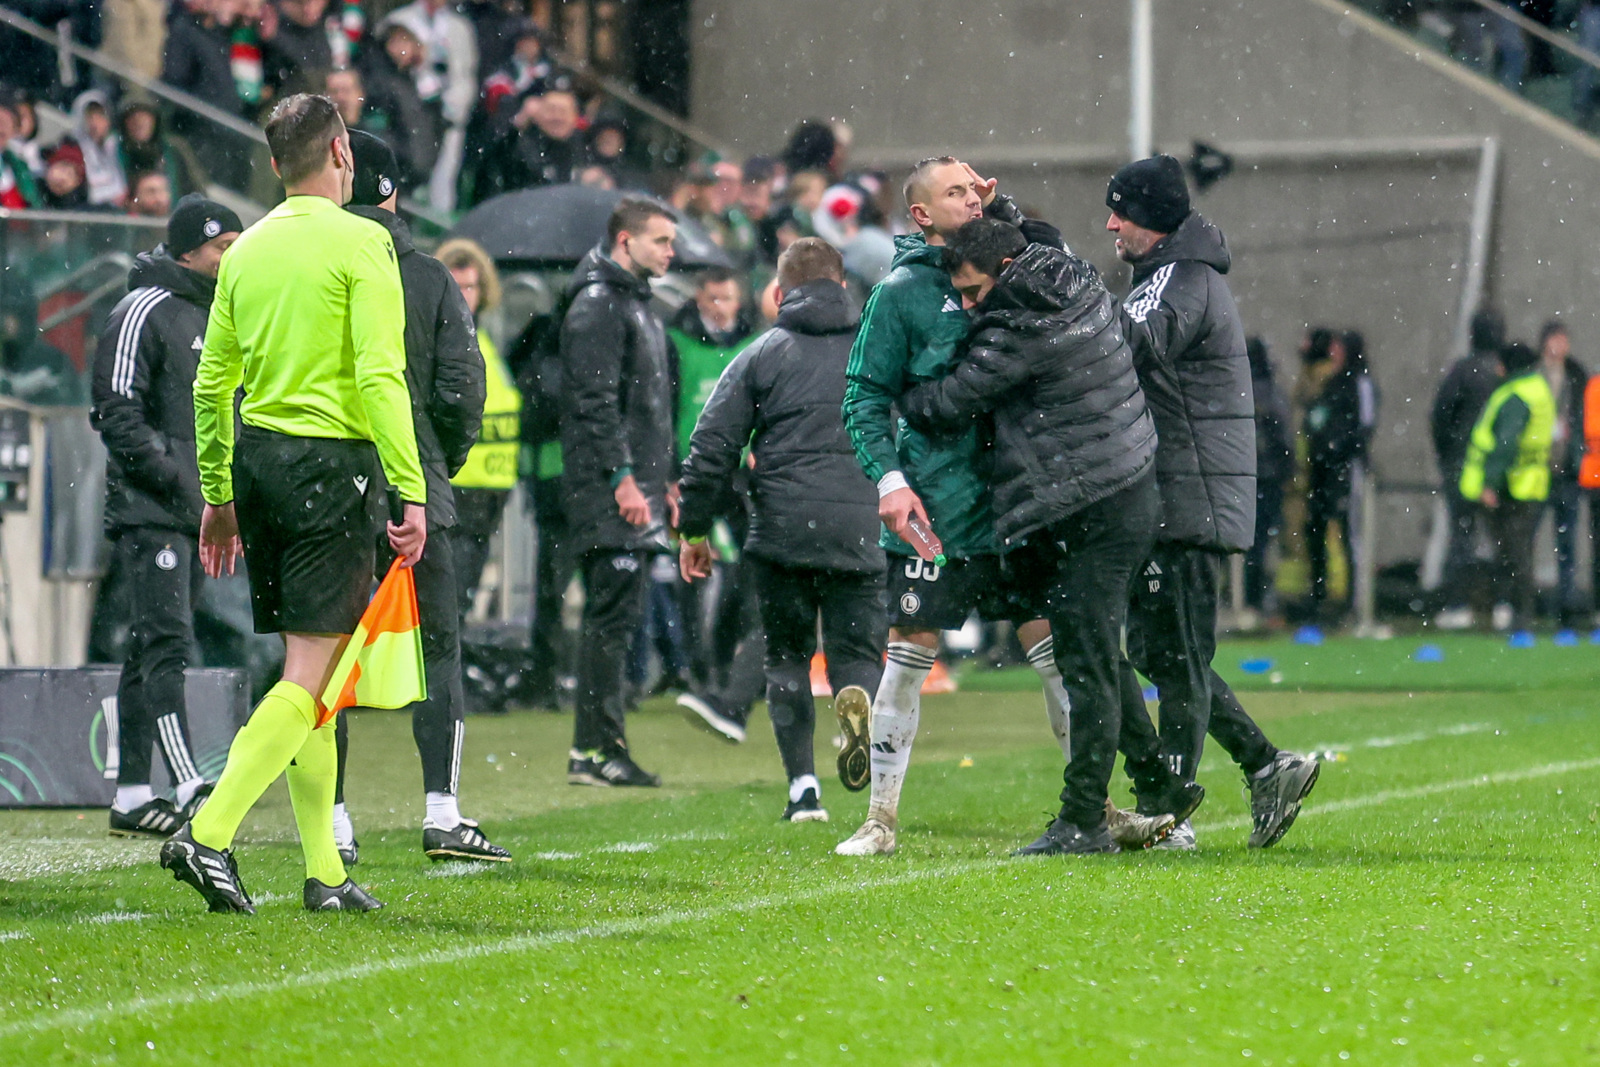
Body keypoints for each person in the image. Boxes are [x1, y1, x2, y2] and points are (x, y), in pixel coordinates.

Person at [837, 158, 1167, 858]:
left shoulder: (1021, 267)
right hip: (942, 514)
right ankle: (879, 820)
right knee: (908, 657)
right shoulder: (900, 294)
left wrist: (998, 203)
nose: (973, 196)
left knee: (1062, 658)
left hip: (1021, 508)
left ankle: (1096, 809)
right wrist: (889, 479)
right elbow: (863, 395)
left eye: (976, 186)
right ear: (922, 214)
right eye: (956, 191)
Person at [160, 93, 427, 914]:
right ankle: (207, 833)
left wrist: (218, 494)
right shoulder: (364, 242)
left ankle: (326, 872)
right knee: (313, 675)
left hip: (260, 463)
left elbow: (213, 384)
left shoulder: (245, 250)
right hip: (329, 467)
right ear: (342, 153)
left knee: (313, 671)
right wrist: (409, 487)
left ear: (277, 166)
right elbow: (381, 375)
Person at [1104, 154, 1318, 851]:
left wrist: (1064, 290)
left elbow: (1130, 344)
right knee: (1161, 647)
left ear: (1155, 218)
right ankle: (1265, 763)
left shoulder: (1181, 279)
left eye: (1122, 211)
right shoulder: (1176, 274)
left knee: (1177, 656)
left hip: (1185, 495)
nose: (1111, 222)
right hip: (1175, 490)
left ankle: (1168, 812)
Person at [335, 130, 507, 863]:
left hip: (328, 486)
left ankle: (332, 818)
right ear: (394, 191)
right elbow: (464, 390)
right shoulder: (431, 277)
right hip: (416, 491)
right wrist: (435, 464)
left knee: (325, 654)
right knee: (439, 651)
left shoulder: (314, 267)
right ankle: (442, 810)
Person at [677, 238, 885, 824]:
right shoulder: (876, 351)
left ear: (776, 294)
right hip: (860, 525)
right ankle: (858, 707)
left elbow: (710, 445)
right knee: (856, 652)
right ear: (844, 288)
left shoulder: (761, 353)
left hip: (784, 529)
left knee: (787, 657)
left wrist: (693, 528)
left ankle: (803, 792)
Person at [89, 195, 243, 839]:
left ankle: (130, 794)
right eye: (222, 247)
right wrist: (181, 481)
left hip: (195, 513)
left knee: (149, 646)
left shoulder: (219, 313)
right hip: (154, 510)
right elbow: (115, 410)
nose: (232, 257)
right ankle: (187, 782)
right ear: (190, 251)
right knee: (168, 643)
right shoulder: (141, 308)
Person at [558, 196, 678, 788]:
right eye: (660, 240)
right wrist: (622, 480)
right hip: (610, 491)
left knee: (616, 620)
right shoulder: (600, 305)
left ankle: (597, 748)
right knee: (609, 622)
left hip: (635, 486)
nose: (671, 251)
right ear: (626, 242)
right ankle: (596, 750)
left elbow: (650, 406)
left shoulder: (632, 302)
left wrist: (667, 479)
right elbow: (594, 404)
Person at [665, 266, 760, 705]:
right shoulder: (676, 344)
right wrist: (668, 473)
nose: (721, 308)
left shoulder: (753, 343)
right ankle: (693, 667)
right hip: (692, 473)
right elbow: (664, 407)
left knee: (745, 573)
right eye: (713, 299)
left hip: (741, 473)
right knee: (692, 571)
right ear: (700, 300)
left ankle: (724, 660)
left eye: (728, 299)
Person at [437, 237, 520, 617]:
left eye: (470, 286)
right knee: (448, 603)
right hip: (456, 490)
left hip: (487, 493)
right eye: (455, 286)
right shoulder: (439, 342)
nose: (464, 295)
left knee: (460, 600)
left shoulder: (483, 338)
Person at [1459, 341, 1554, 633]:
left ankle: (1516, 617)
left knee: (1512, 555)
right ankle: (1518, 615)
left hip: (1512, 487)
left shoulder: (1515, 395)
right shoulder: (1538, 389)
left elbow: (1504, 443)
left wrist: (1490, 483)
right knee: (1519, 552)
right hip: (1531, 482)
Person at [1431, 309, 1506, 629]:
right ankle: (1503, 606)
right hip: (1496, 469)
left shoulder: (1463, 372)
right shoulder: (1504, 374)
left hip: (1461, 467)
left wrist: (1449, 454)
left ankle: (1459, 606)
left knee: (1461, 537)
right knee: (1502, 539)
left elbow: (1440, 416)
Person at [1303, 329, 1378, 619]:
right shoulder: (1334, 383)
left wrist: (1341, 449)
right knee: (1317, 530)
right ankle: (1320, 598)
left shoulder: (1359, 383)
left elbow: (1364, 426)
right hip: (1325, 468)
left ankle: (1357, 603)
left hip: (1347, 468)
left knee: (1352, 533)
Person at [1536, 321, 1587, 625]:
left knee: (1567, 542)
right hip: (1538, 471)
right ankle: (1523, 606)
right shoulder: (1534, 375)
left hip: (1567, 471)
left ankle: (1566, 608)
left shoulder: (1576, 376)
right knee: (1526, 537)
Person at [1243, 337, 1293, 622]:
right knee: (1263, 540)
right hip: (1269, 477)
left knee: (1248, 541)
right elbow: (1284, 437)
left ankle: (1246, 599)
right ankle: (1257, 598)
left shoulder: (1234, 390)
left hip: (1242, 477)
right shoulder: (1272, 394)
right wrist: (1287, 468)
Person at [117, 101, 208, 199]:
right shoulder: (113, 150)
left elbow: (197, 188)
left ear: (155, 120)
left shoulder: (174, 149)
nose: (139, 123)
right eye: (133, 118)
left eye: (145, 117)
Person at [68, 90, 126, 209]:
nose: (95, 123)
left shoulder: (121, 145)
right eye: (90, 117)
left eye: (100, 116)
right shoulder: (72, 148)